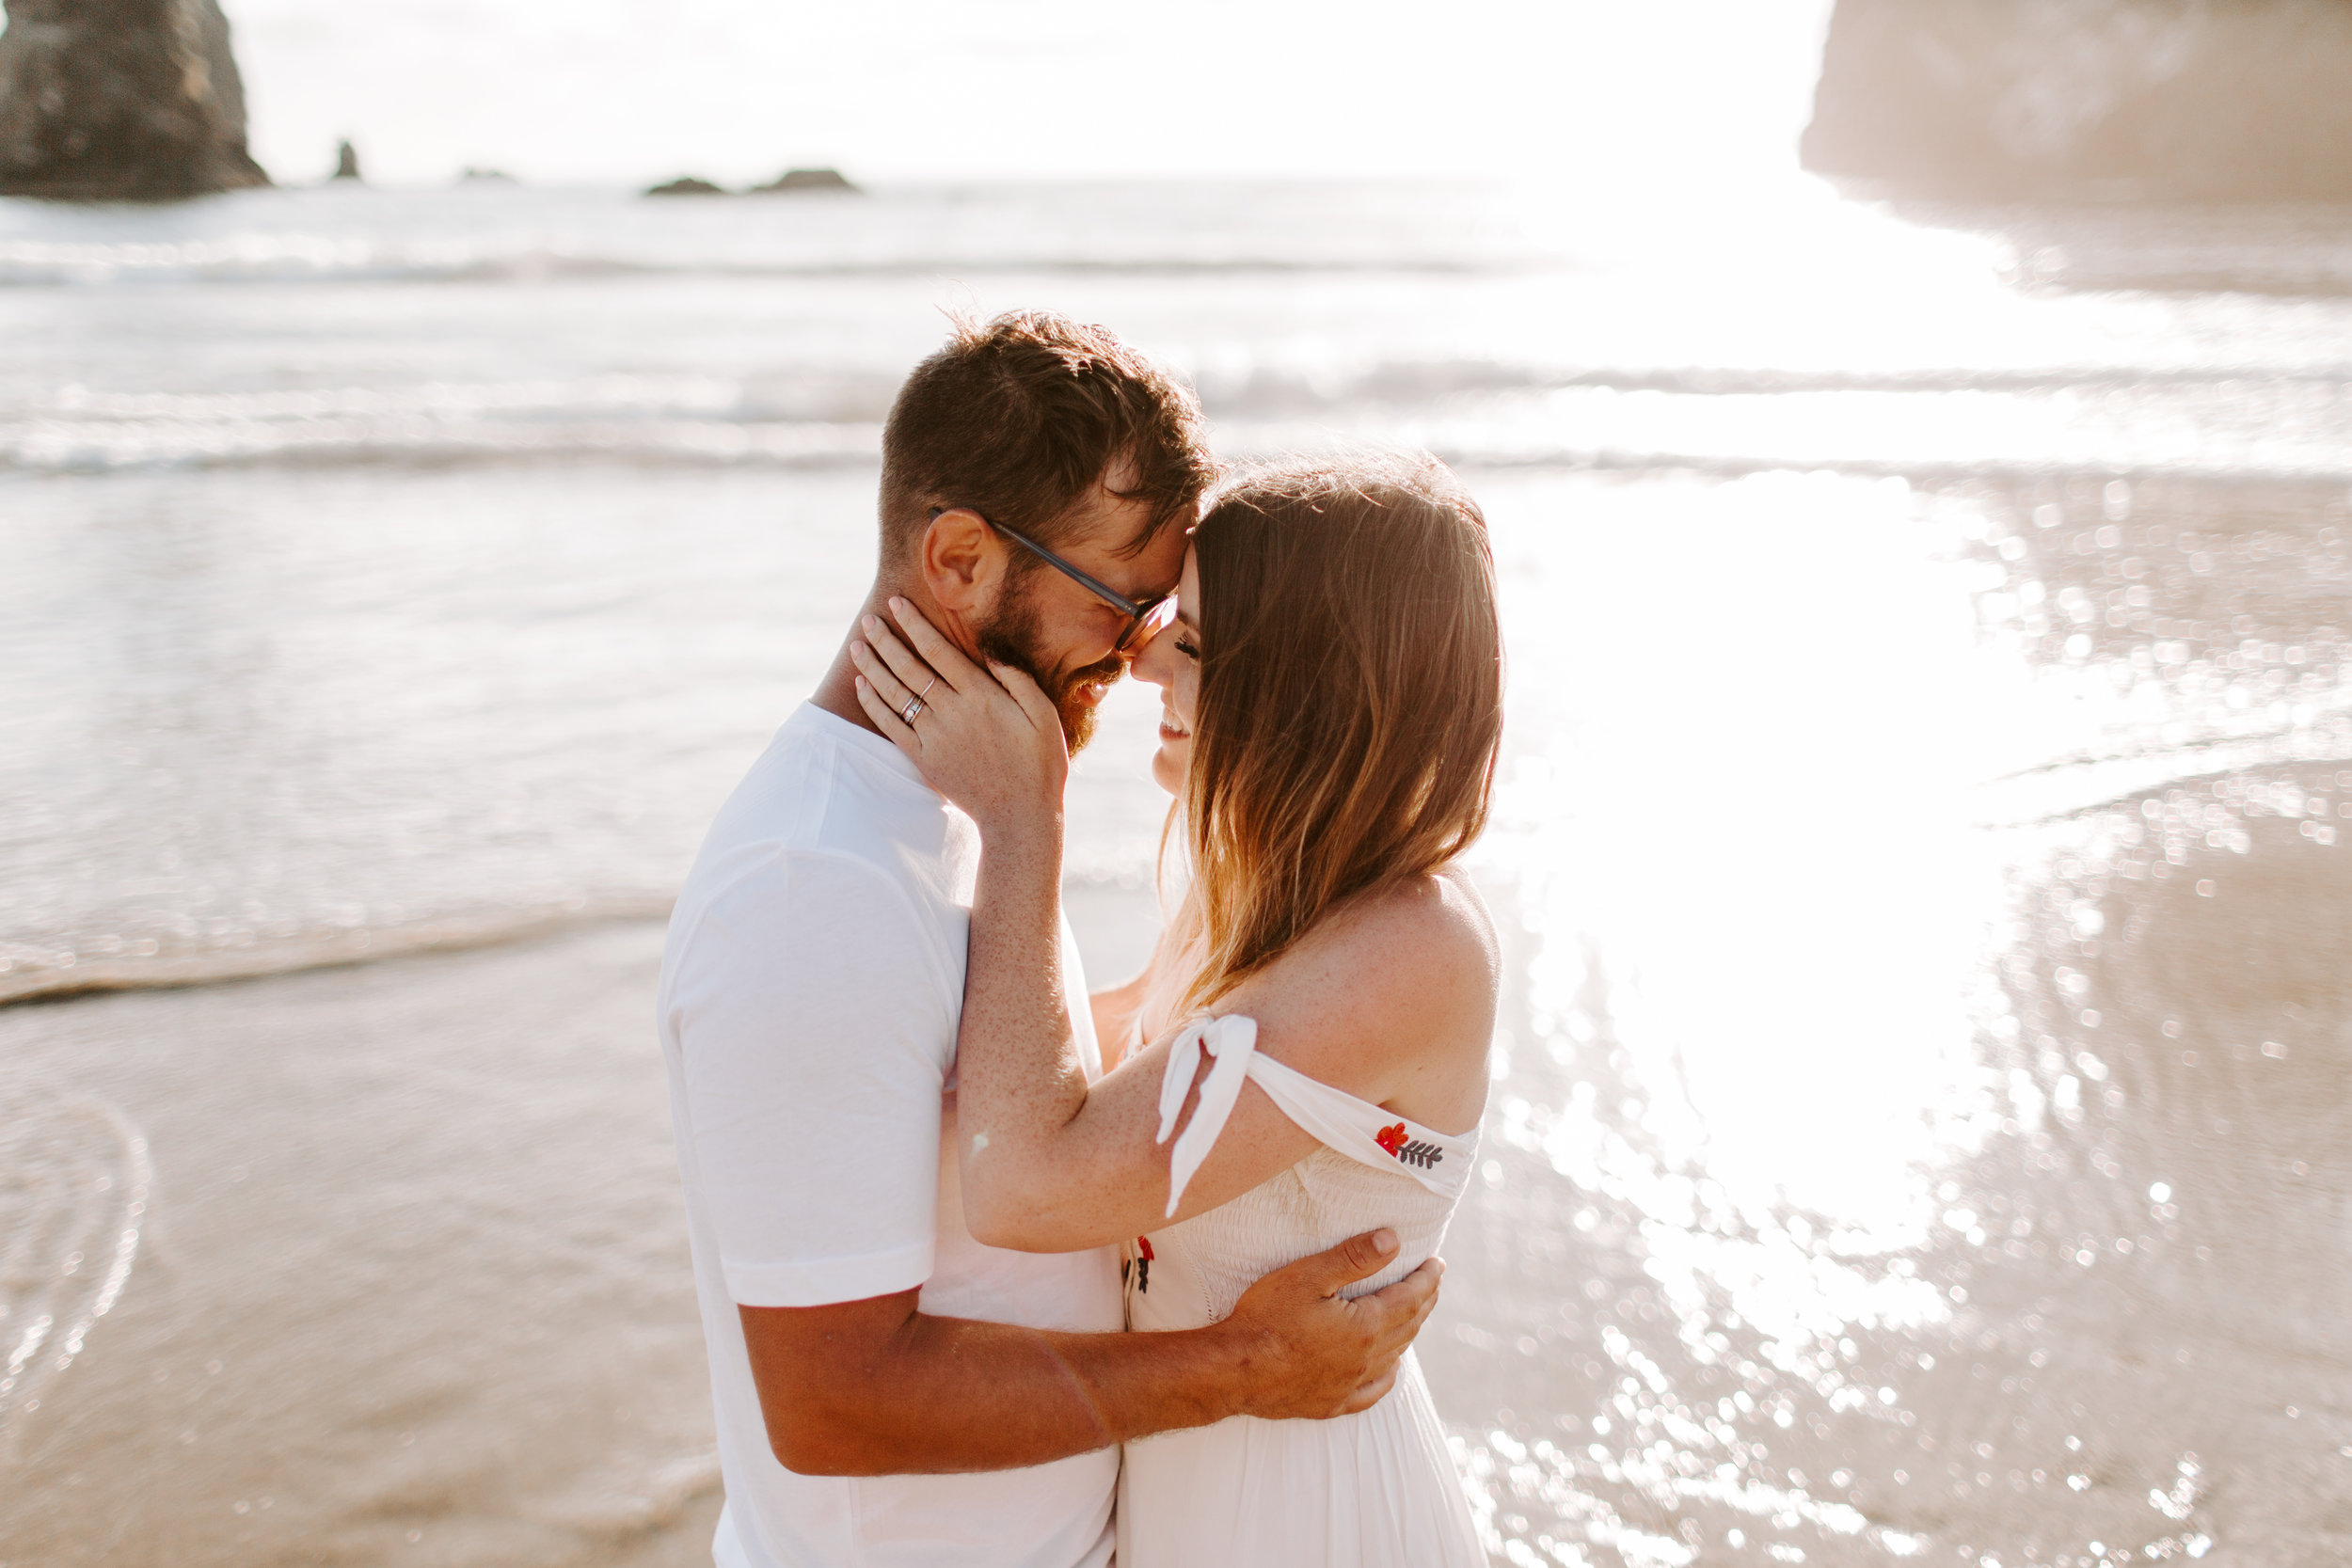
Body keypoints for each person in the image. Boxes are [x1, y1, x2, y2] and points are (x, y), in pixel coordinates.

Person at [656, 313, 1445, 1568]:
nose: (1139, 660)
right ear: (960, 558)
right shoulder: (814, 888)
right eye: (1127, 602)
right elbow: (832, 1395)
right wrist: (1240, 1365)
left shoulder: (966, 802)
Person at [848, 451, 1502, 1567]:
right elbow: (1075, 1065)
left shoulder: (1411, 947)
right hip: (1187, 1503)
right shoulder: (1259, 893)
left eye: (1190, 638)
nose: (1141, 655)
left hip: (1318, 1523)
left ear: (1308, 681)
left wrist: (1022, 820)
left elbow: (1027, 1180)